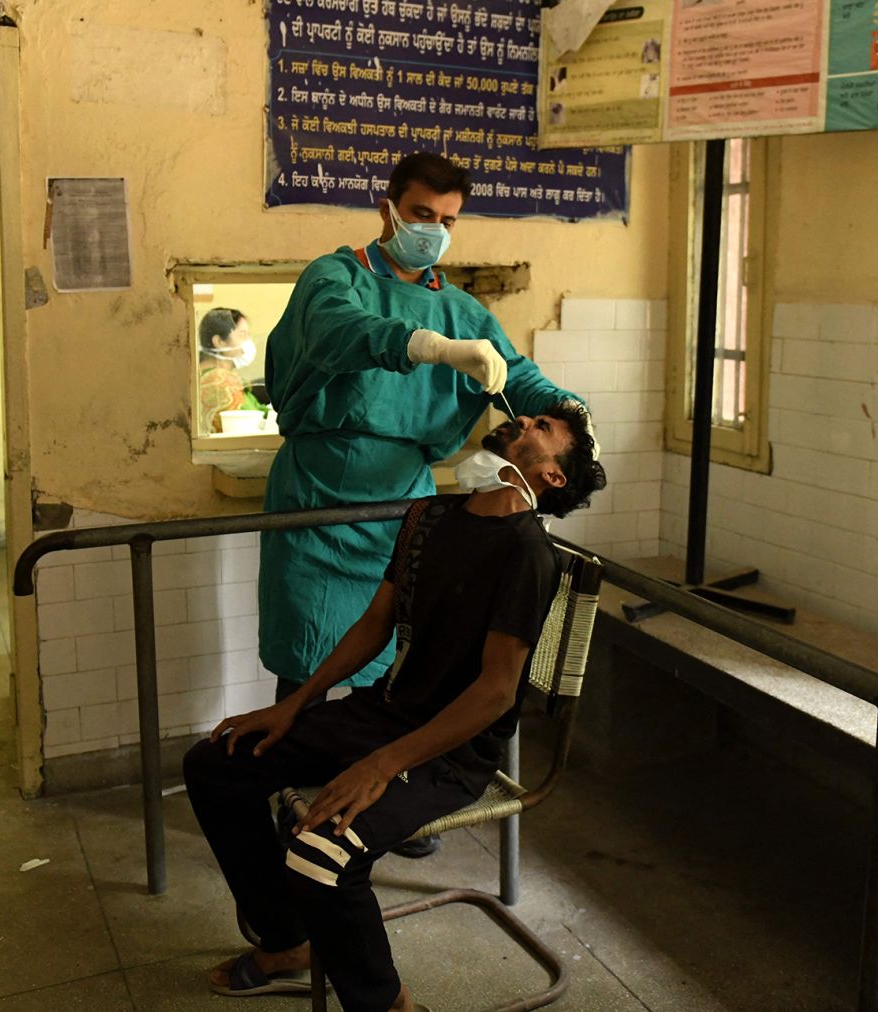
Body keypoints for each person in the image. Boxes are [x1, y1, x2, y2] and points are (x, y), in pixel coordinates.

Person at [185, 404, 606, 1010]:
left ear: (552, 478)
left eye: (544, 429)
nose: (525, 422)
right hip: (383, 714)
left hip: (451, 752)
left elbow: (494, 693)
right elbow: (375, 624)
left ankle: (388, 1004)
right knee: (214, 763)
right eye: (530, 417)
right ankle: (286, 944)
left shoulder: (525, 554)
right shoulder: (428, 517)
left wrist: (381, 765)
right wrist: (296, 705)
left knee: (322, 855)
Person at [258, 151, 587, 709]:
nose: (433, 230)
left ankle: (367, 777)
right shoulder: (336, 276)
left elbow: (517, 378)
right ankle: (286, 776)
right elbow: (335, 328)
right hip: (316, 500)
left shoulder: (463, 313)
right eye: (421, 214)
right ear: (388, 210)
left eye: (448, 221)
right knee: (307, 661)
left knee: (394, 661)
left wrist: (571, 412)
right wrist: (422, 345)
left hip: (403, 506)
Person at [199, 306, 263, 433]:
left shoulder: (201, 373)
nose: (248, 342)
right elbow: (252, 421)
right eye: (242, 335)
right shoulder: (220, 381)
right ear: (219, 341)